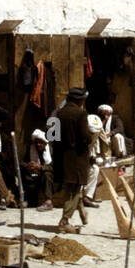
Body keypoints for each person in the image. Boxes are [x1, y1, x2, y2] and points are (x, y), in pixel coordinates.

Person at [51, 87, 91, 233]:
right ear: (80, 101)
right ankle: (64, 221)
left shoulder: (58, 113)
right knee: (73, 189)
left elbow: (51, 136)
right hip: (76, 157)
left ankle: (82, 212)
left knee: (73, 186)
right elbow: (85, 137)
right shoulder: (81, 114)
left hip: (62, 156)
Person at [26, 127, 54, 210]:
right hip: (35, 175)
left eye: (41, 143)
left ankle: (48, 202)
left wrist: (40, 167)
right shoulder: (31, 149)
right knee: (28, 175)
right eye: (37, 143)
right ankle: (31, 201)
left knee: (47, 174)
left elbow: (54, 167)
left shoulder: (51, 151)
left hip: (51, 178)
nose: (38, 144)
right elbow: (22, 162)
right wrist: (29, 165)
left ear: (45, 143)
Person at [83, 114, 105, 209]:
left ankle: (87, 197)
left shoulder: (95, 137)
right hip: (74, 162)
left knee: (95, 169)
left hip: (86, 160)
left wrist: (92, 159)